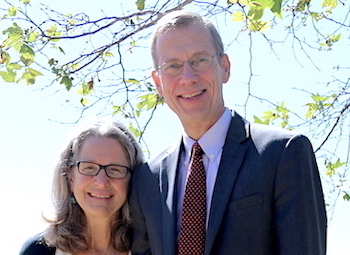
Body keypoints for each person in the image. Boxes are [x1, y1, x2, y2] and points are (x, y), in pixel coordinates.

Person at [130, 10, 327, 255]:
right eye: (173, 66)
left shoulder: (282, 154)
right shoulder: (147, 180)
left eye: (200, 60)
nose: (188, 77)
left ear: (224, 67)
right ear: (158, 83)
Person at [20, 118, 144, 255]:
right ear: (70, 177)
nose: (101, 182)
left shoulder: (153, 247)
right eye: (89, 168)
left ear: (133, 178)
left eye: (115, 169)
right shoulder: (38, 251)